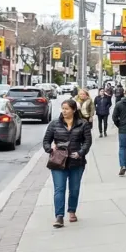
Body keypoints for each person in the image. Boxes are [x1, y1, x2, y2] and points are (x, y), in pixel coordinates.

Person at [42, 98, 92, 228]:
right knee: (59, 189)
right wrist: (49, 149)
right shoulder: (54, 124)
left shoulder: (83, 124)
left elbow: (88, 141)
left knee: (74, 189)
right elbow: (46, 140)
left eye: (67, 109)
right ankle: (59, 216)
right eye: (62, 108)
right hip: (58, 161)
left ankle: (71, 211)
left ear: (74, 110)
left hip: (76, 161)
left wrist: (81, 152)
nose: (64, 111)